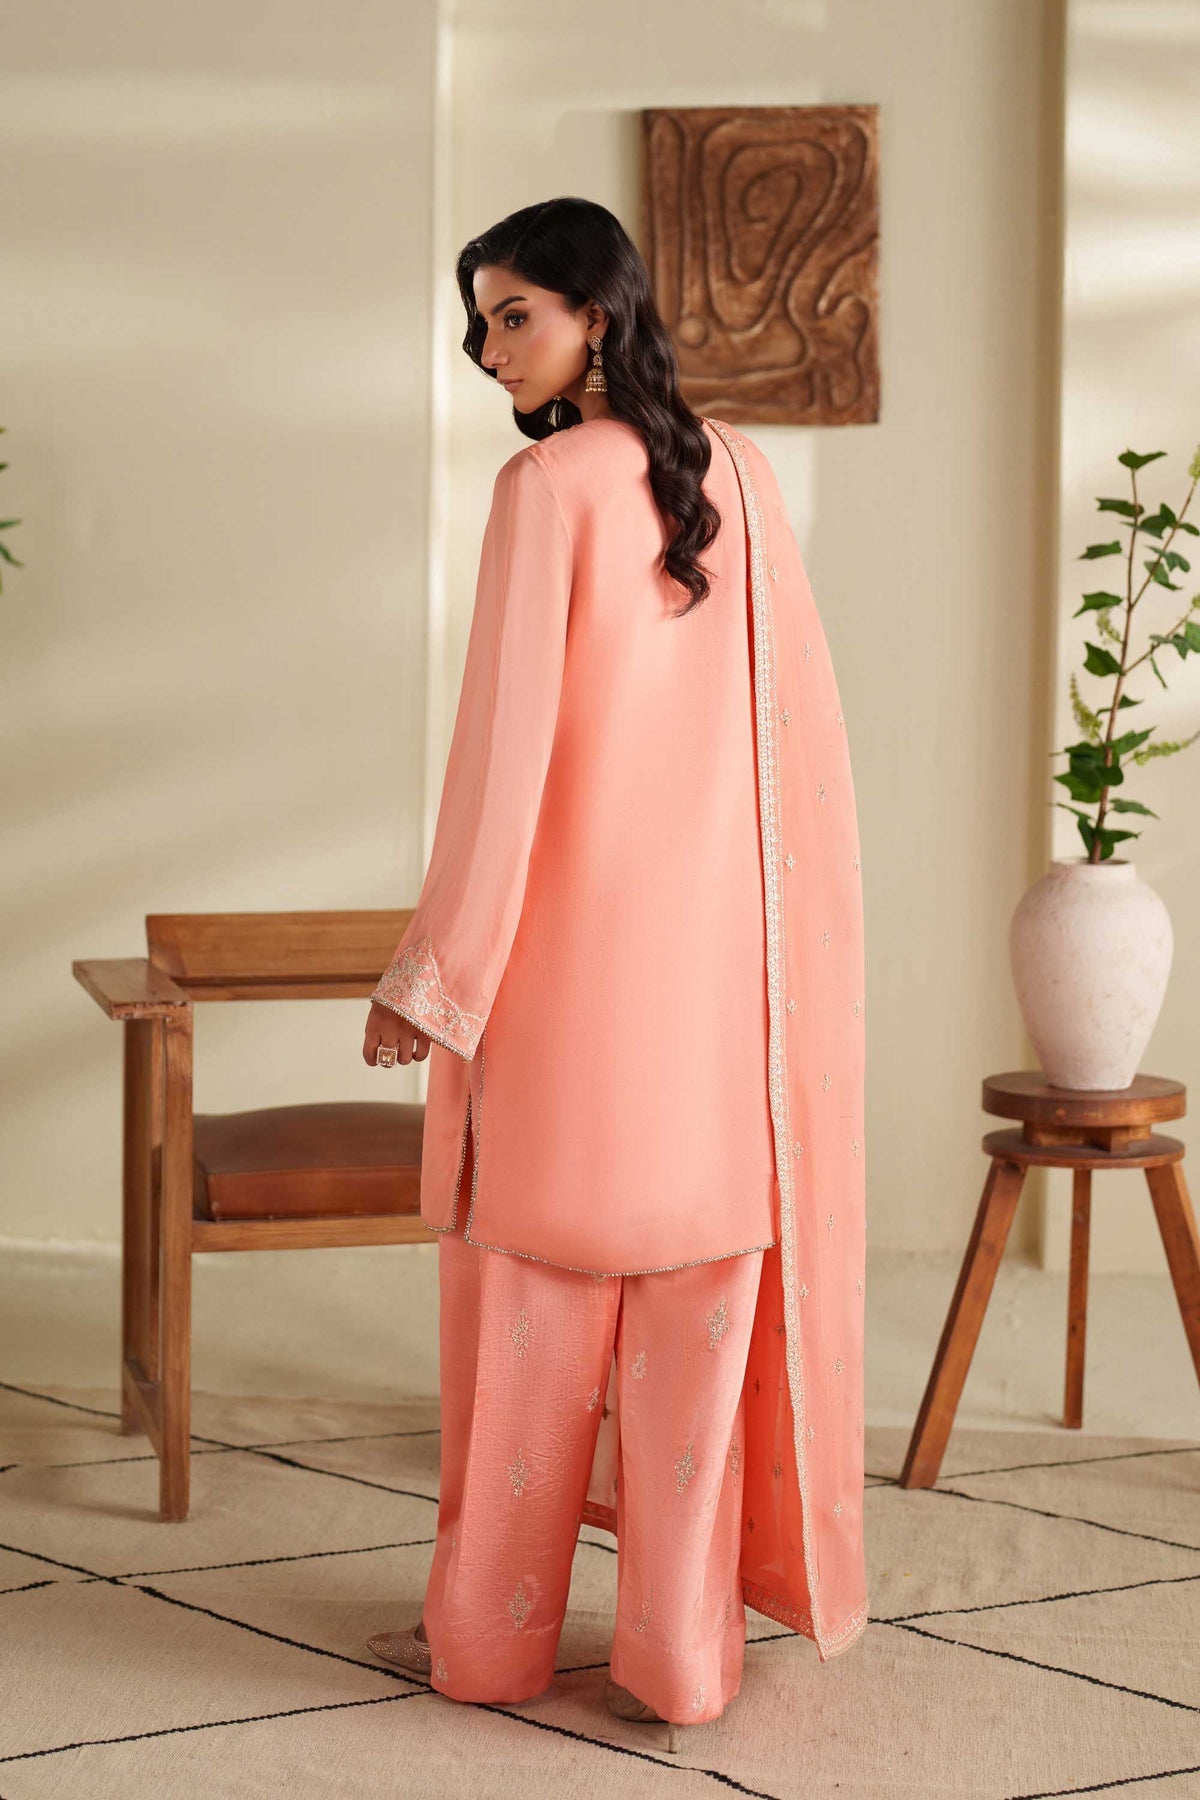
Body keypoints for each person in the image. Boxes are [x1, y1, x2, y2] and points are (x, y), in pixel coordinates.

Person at [361, 196, 867, 1755]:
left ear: (599, 310)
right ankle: (682, 1663)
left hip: (574, 1012)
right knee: (691, 1362)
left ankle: (491, 1645)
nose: (487, 348)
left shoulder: (545, 489)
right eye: (480, 321)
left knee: (529, 1350)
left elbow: (502, 762)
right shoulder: (746, 477)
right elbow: (803, 764)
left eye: (513, 313)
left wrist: (435, 974)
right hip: (723, 1020)